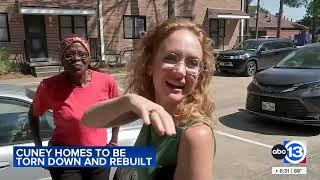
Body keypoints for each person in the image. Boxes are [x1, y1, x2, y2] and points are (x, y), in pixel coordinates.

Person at [82, 18, 216, 180]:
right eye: (171, 58)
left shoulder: (196, 136)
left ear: (199, 74)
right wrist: (129, 101)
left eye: (192, 63)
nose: (181, 71)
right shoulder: (151, 110)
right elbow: (88, 120)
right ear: (150, 64)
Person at [28, 34, 120, 180]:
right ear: (62, 60)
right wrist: (39, 149)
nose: (76, 58)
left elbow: (118, 111)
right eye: (69, 55)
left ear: (89, 57)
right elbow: (33, 114)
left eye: (81, 54)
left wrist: (113, 142)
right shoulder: (49, 86)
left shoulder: (106, 81)